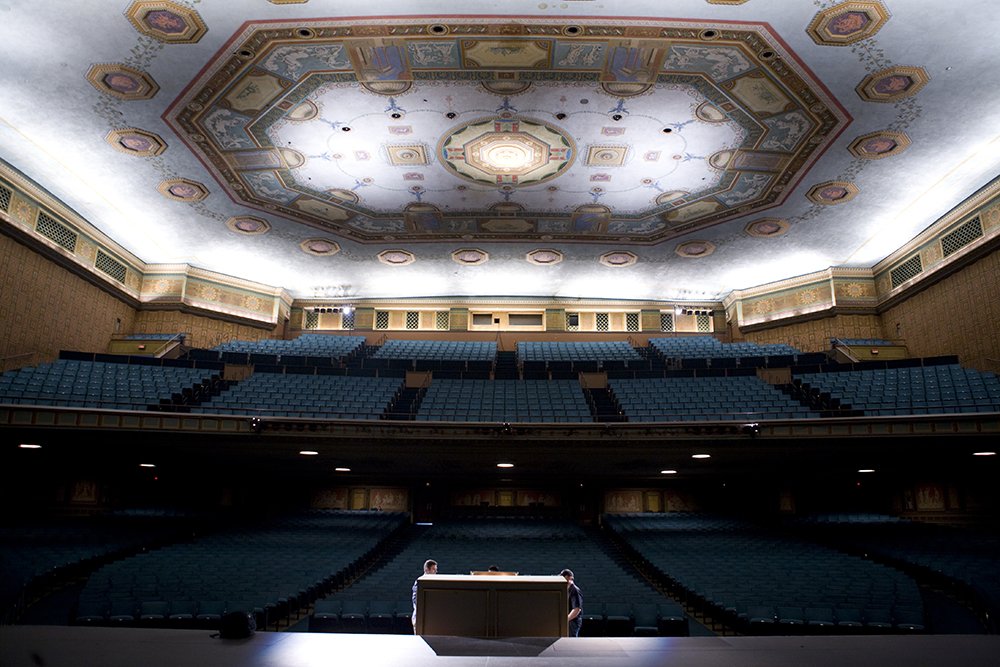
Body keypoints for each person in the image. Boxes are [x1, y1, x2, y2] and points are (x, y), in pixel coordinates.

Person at [412, 558, 437, 633]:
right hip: (420, 618)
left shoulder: (434, 582)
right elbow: (416, 600)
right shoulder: (420, 582)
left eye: (436, 570)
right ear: (427, 569)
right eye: (433, 569)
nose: (435, 572)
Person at [560, 568, 583, 637]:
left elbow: (577, 609)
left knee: (570, 641)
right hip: (569, 621)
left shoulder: (574, 590)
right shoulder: (566, 589)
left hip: (572, 622)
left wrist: (565, 620)